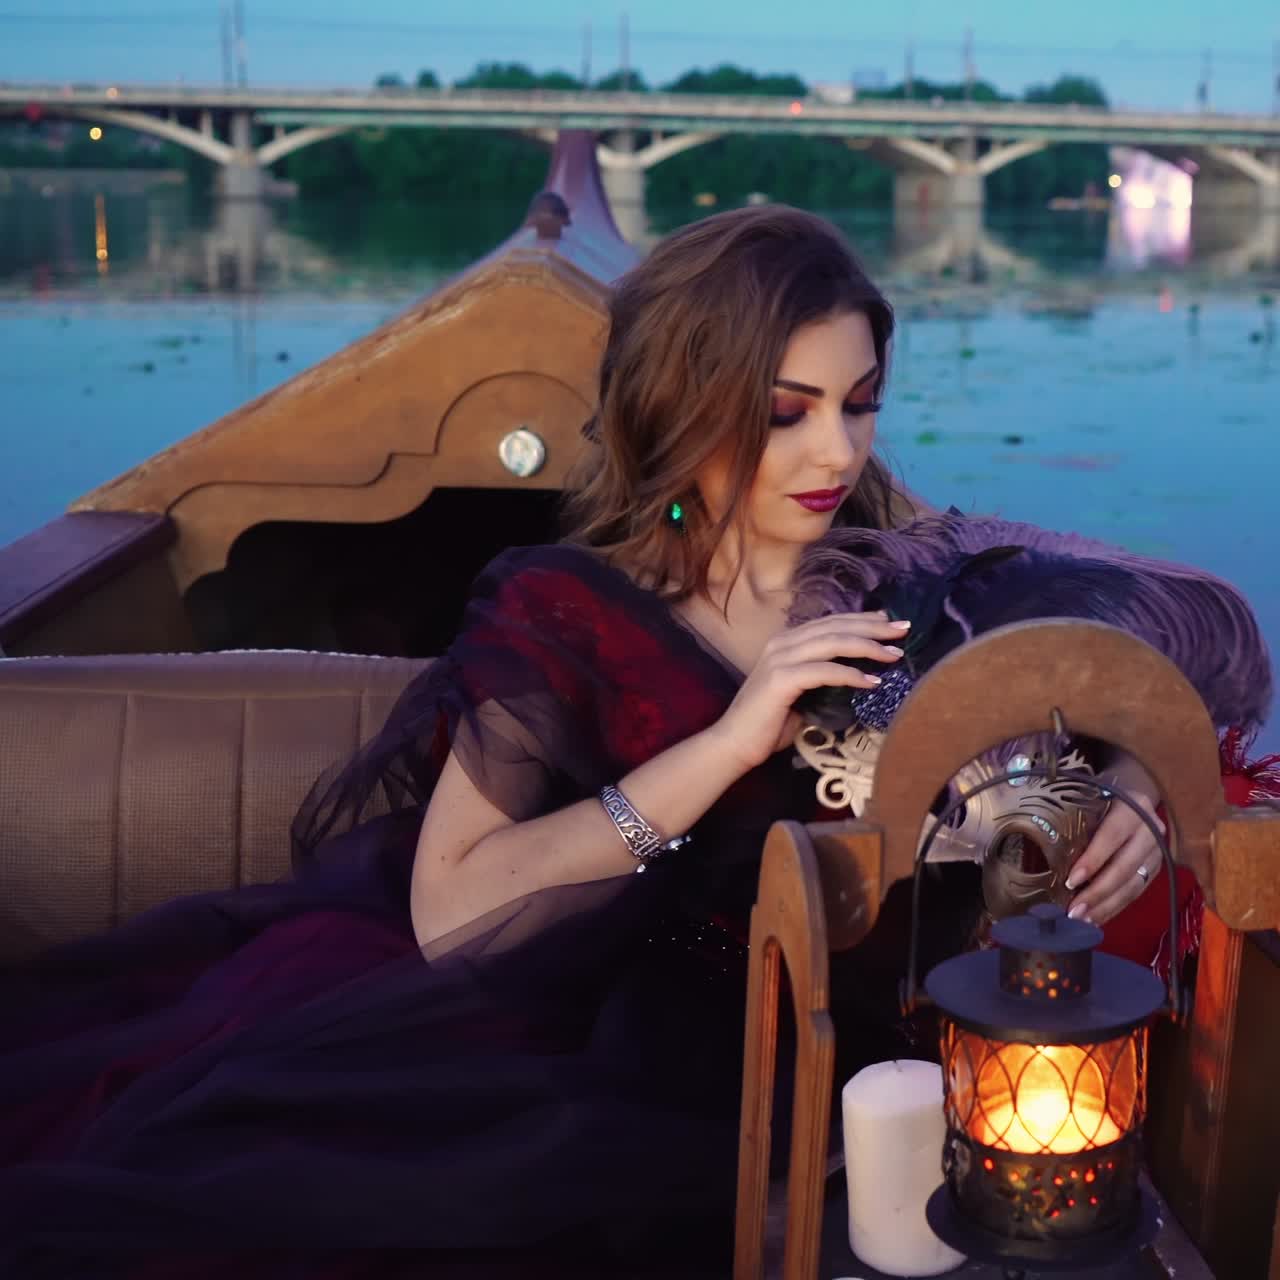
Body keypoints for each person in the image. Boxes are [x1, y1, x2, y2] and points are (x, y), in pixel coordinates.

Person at [0, 206, 1271, 1279]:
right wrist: (726, 741)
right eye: (786, 411)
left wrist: (1140, 783)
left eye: (860, 403)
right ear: (686, 401)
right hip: (592, 1026)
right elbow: (452, 912)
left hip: (865, 1043)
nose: (835, 450)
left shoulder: (918, 571)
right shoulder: (562, 607)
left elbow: (1170, 636)